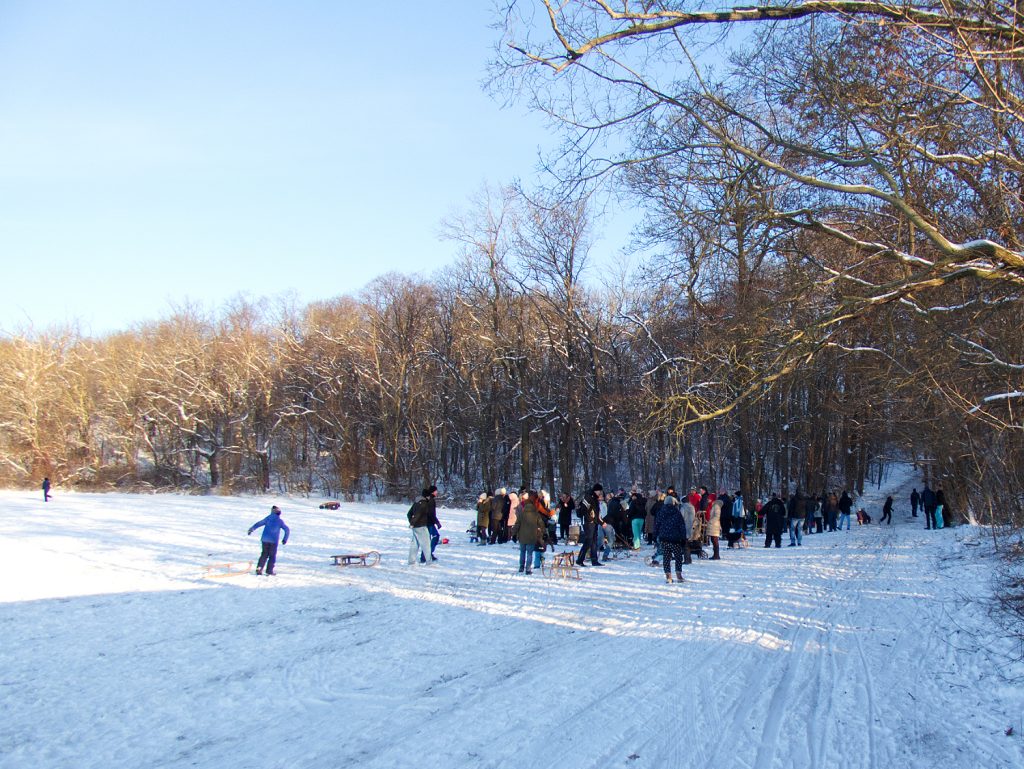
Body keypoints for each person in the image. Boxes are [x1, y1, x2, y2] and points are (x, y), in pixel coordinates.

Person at [248, 505, 290, 576]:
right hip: (273, 541)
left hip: (264, 539)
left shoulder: (268, 518)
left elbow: (259, 524)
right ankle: (269, 571)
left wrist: (251, 529)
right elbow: (287, 529)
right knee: (272, 556)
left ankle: (259, 568)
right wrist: (285, 539)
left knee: (264, 554)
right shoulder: (280, 521)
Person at [653, 493, 687, 583]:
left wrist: (654, 536)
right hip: (675, 539)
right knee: (678, 557)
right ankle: (679, 576)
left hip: (664, 538)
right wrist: (683, 538)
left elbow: (656, 525)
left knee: (666, 557)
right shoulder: (677, 512)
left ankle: (668, 576)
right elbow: (682, 526)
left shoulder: (661, 512)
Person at [512, 490, 545, 574]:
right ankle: (528, 569)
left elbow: (517, 525)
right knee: (529, 553)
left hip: (522, 537)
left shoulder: (521, 514)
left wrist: (514, 534)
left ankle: (521, 567)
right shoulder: (536, 514)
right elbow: (541, 524)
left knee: (522, 552)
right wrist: (543, 533)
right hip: (531, 537)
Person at [407, 487, 439, 566]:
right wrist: (412, 523)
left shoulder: (417, 502)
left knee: (415, 544)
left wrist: (412, 523)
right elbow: (418, 514)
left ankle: (411, 562)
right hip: (422, 526)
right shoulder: (424, 503)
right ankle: (429, 562)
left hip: (415, 527)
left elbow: (409, 514)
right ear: (427, 496)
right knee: (426, 544)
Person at [576, 484, 605, 567]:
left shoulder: (595, 498)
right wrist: (589, 518)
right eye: (599, 491)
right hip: (588, 523)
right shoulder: (589, 497)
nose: (600, 493)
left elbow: (596, 514)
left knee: (594, 542)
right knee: (588, 541)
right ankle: (580, 559)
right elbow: (583, 509)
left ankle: (594, 560)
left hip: (594, 523)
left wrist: (601, 523)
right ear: (596, 490)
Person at [419, 486, 442, 563]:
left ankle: (427, 555)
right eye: (436, 491)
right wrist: (437, 522)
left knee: (428, 539)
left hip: (426, 522)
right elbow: (431, 513)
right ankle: (426, 555)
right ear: (433, 492)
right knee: (434, 537)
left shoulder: (427, 499)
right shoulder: (431, 500)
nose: (437, 492)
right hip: (429, 523)